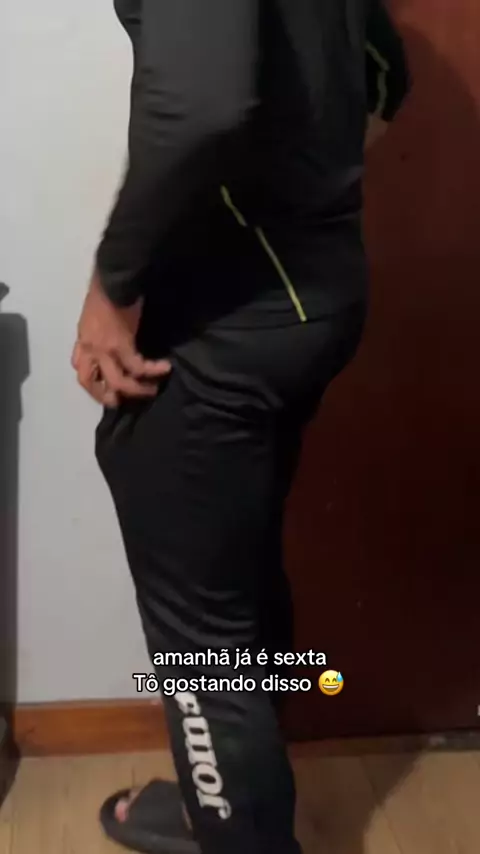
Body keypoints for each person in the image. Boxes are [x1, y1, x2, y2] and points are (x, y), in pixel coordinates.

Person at [72, 2, 410, 853]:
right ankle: (227, 805)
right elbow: (385, 71)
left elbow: (201, 101)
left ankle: (238, 827)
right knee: (237, 572)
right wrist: (304, 200)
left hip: (236, 316)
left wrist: (113, 285)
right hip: (315, 296)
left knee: (201, 636)